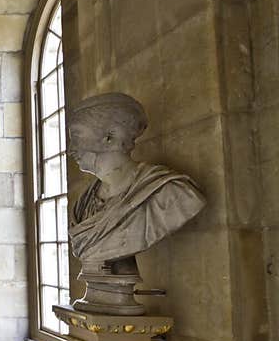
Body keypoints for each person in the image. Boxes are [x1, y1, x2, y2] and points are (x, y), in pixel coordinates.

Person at [67, 92, 206, 268]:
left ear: (111, 137)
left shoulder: (169, 194)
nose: (70, 150)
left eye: (77, 137)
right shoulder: (83, 204)